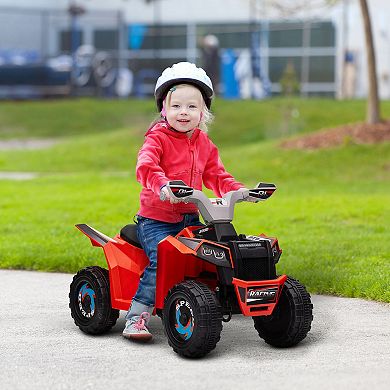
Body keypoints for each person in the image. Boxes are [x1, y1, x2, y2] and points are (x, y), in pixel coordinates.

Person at [122, 62, 245, 342]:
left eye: (192, 107)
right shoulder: (157, 138)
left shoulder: (204, 143)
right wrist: (162, 185)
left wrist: (238, 190)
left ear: (203, 112)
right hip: (156, 221)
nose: (184, 113)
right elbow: (146, 166)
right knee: (161, 262)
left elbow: (216, 174)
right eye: (176, 106)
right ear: (164, 109)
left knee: (214, 255)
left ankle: (210, 305)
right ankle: (136, 317)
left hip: (190, 218)